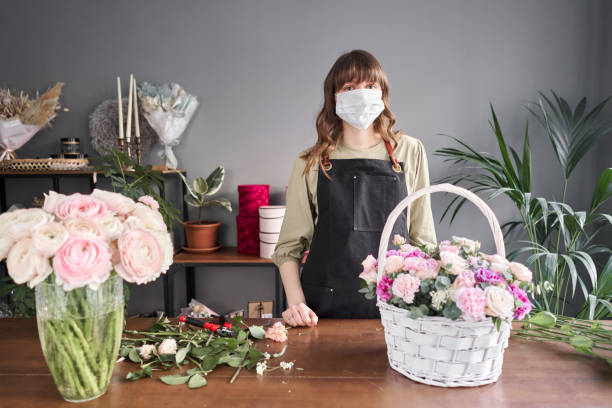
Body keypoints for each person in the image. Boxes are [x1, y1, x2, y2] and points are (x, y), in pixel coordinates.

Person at [271, 50, 437, 327]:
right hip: (321, 309)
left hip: (396, 309)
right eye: (349, 87)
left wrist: (427, 307)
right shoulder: (310, 162)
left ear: (382, 93)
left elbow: (423, 241)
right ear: (334, 97)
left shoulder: (409, 151)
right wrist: (297, 305)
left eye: (370, 86)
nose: (361, 94)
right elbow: (288, 249)